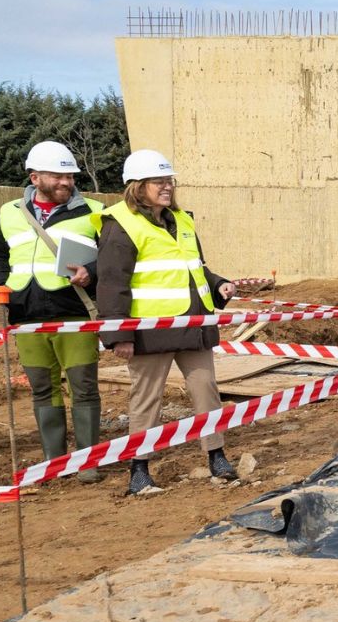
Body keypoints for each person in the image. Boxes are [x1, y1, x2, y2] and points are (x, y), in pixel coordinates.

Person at [96, 149, 239, 495]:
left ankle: (216, 456)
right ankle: (139, 470)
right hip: (150, 331)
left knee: (206, 390)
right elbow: (112, 282)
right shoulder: (120, 225)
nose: (167, 187)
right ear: (137, 186)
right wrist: (120, 336)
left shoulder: (181, 221)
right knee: (146, 399)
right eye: (158, 181)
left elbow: (194, 268)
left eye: (168, 180)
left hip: (193, 324)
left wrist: (218, 284)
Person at [0, 141, 106, 483]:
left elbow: (110, 259)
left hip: (74, 313)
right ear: (35, 178)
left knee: (83, 387)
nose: (66, 182)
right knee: (42, 389)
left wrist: (90, 273)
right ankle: (55, 462)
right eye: (58, 176)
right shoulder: (8, 212)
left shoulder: (93, 210)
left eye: (70, 176)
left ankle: (87, 462)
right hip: (25, 313)